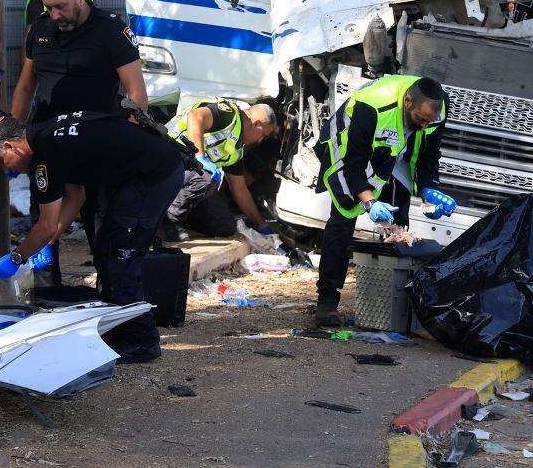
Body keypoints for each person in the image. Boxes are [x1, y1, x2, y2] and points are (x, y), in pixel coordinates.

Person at [0, 113, 184, 363]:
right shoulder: (46, 133)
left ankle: (142, 341)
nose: (6, 169)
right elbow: (76, 197)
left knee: (119, 256)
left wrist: (17, 257)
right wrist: (46, 243)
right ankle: (119, 331)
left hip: (155, 174)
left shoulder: (46, 156)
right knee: (106, 250)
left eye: (1, 160)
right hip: (147, 169)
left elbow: (46, 225)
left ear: (12, 146)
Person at [11, 0, 148, 280]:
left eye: (62, 6)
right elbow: (24, 86)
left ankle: (111, 294)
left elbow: (137, 92)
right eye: (50, 7)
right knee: (43, 222)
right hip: (48, 145)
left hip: (97, 145)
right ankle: (44, 296)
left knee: (103, 226)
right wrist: (15, 132)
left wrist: (128, 139)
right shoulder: (41, 30)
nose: (56, 13)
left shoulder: (110, 30)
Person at [313, 75, 456, 327]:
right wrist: (369, 202)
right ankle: (327, 300)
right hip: (348, 147)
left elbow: (429, 155)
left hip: (393, 148)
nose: (425, 126)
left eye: (429, 121)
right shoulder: (371, 106)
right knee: (343, 217)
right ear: (408, 101)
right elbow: (353, 165)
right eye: (421, 119)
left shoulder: (437, 109)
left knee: (397, 226)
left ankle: (389, 304)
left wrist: (428, 190)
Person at [161, 98, 278, 241]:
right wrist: (200, 157)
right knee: (207, 176)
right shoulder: (229, 115)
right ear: (257, 124)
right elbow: (195, 116)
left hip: (186, 175)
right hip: (166, 157)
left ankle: (173, 215)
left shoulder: (237, 148)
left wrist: (262, 226)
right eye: (263, 135)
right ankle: (169, 220)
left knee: (224, 226)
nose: (260, 141)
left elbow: (240, 190)